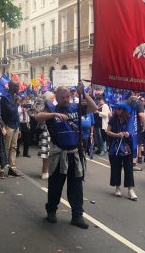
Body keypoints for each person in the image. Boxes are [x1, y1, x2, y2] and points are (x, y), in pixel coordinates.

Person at [36, 84, 98, 229]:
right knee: (55, 185)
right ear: (57, 98)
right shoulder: (51, 108)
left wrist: (85, 93)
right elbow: (37, 116)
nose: (66, 100)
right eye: (62, 97)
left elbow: (94, 108)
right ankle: (51, 210)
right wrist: (54, 115)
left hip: (74, 154)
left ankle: (77, 215)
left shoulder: (75, 107)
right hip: (59, 154)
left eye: (67, 97)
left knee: (76, 187)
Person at [106, 102, 137, 201]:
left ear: (124, 110)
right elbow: (107, 131)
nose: (117, 110)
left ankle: (130, 190)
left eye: (119, 109)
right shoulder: (113, 119)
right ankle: (117, 187)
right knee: (116, 167)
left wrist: (128, 134)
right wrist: (117, 134)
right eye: (116, 108)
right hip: (115, 146)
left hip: (127, 147)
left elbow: (134, 132)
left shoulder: (130, 120)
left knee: (128, 168)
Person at [0, 81, 22, 177]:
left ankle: (12, 168)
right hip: (8, 125)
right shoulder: (5, 98)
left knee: (14, 147)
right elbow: (11, 111)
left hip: (15, 125)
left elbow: (16, 114)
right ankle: (1, 168)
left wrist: (19, 127)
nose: (18, 88)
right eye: (17, 86)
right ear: (11, 87)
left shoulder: (15, 97)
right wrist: (16, 103)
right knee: (5, 148)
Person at [37, 91, 55, 180]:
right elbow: (38, 118)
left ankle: (50, 171)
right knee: (45, 153)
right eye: (51, 98)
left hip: (53, 131)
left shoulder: (54, 107)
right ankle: (44, 171)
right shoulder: (43, 107)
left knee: (52, 153)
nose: (53, 99)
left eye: (53, 98)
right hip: (45, 131)